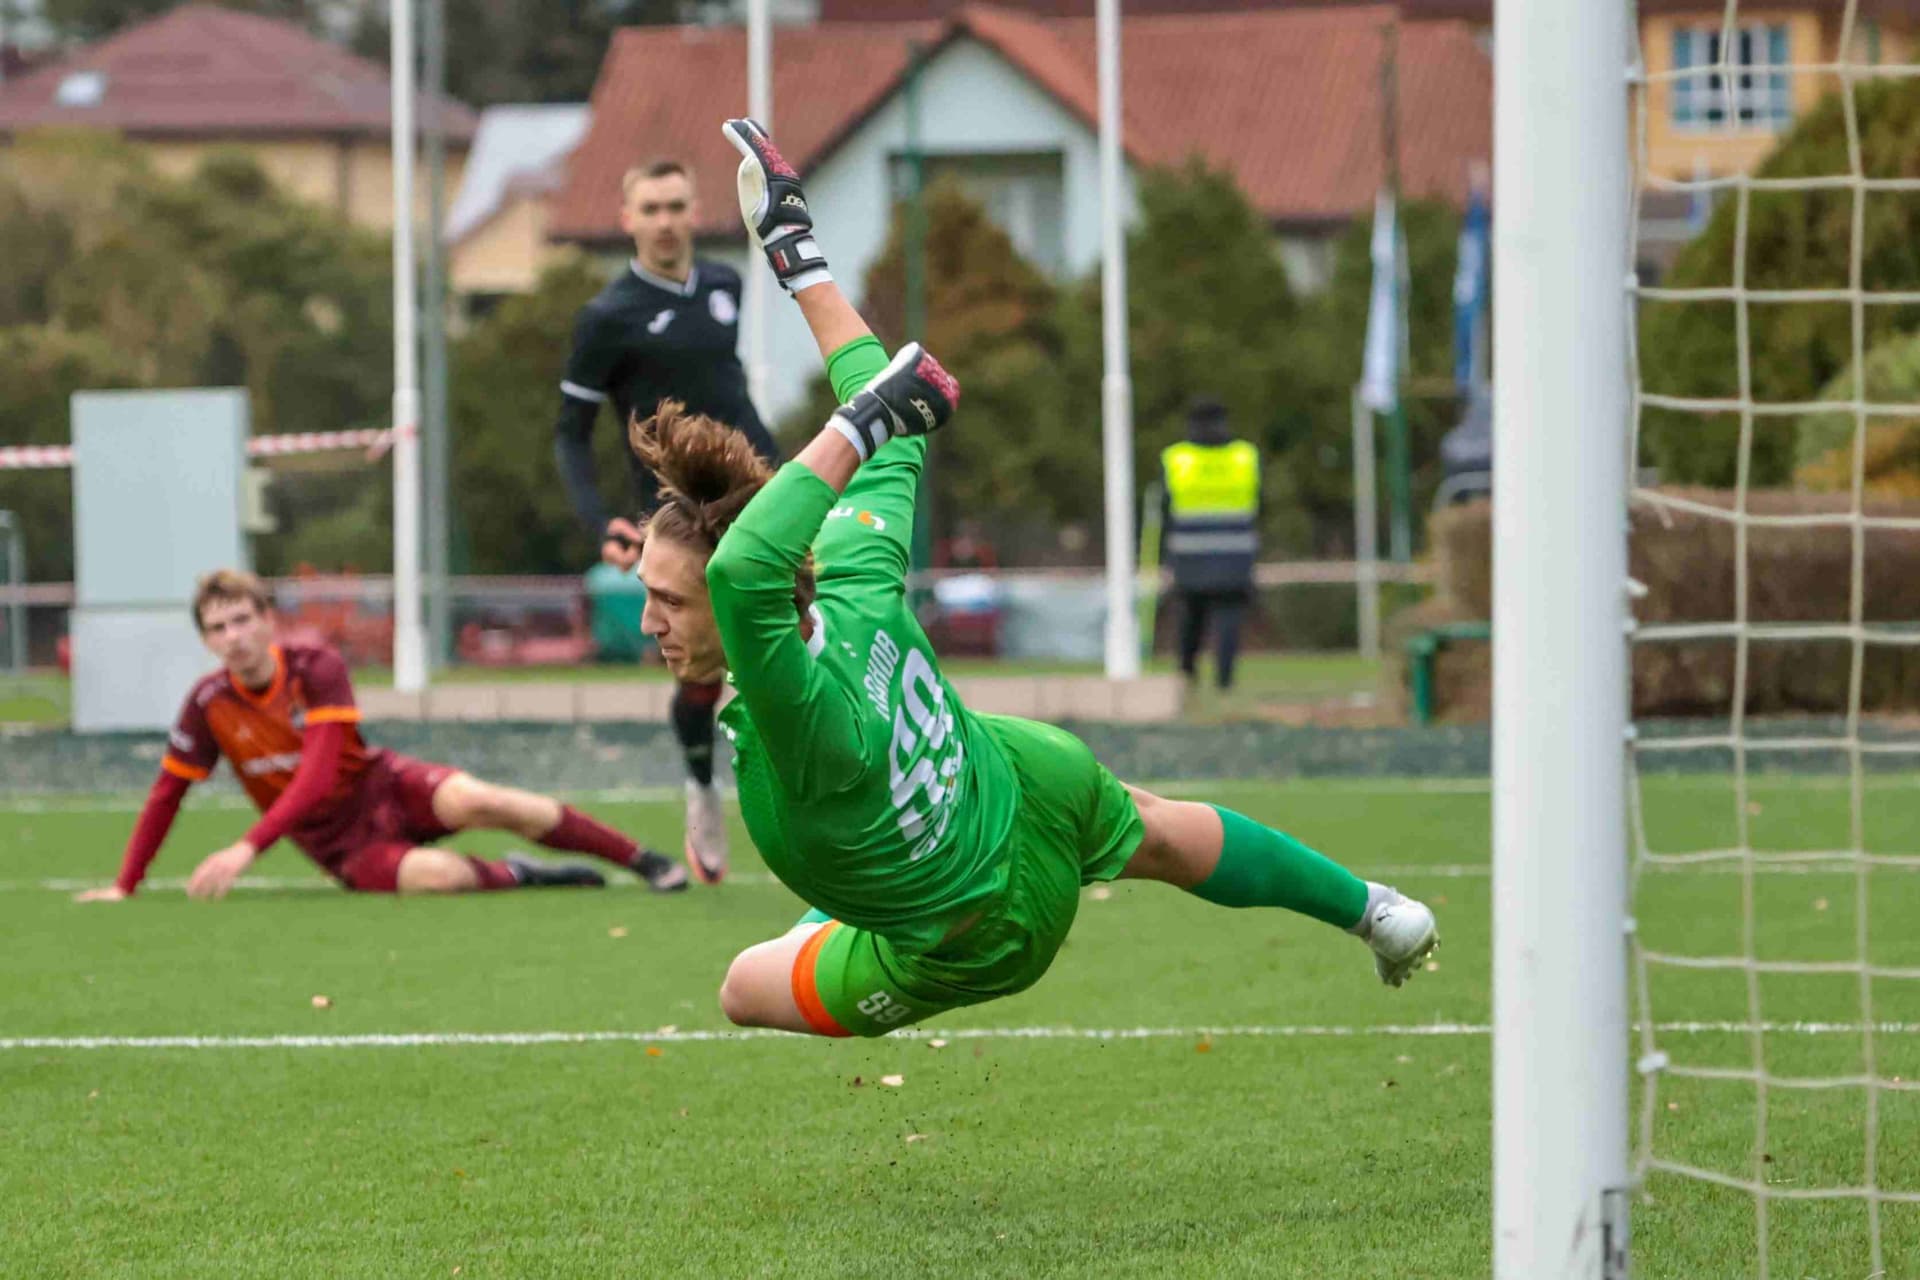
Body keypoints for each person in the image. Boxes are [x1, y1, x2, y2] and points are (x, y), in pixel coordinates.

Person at [615, 118, 1440, 1039]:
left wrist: (868, 419)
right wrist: (798, 257)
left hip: (979, 930)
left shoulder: (785, 695)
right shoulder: (849, 570)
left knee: (741, 987)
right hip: (1022, 775)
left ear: (743, 606)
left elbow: (746, 563)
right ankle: (1378, 911)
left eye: (666, 599)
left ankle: (870, 908)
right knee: (1157, 830)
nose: (648, 618)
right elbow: (878, 396)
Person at [74, 570, 687, 902]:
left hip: (385, 786)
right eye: (218, 627)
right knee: (440, 880)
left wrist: (246, 848)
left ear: (267, 619)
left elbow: (317, 774)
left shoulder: (315, 667)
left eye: (242, 619)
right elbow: (165, 794)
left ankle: (642, 859)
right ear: (206, 640)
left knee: (489, 800)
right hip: (341, 848)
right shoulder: (208, 704)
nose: (233, 635)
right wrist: (125, 884)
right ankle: (525, 875)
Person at [554, 156, 782, 886]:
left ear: (695, 210)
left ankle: (806, 801)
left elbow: (730, 390)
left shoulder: (725, 285)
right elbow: (569, 433)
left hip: (757, 487)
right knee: (702, 671)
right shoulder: (607, 317)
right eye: (649, 208)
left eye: (676, 206)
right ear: (627, 219)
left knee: (793, 635)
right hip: (673, 509)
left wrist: (783, 471)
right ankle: (700, 786)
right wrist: (601, 524)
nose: (664, 221)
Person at [1161, 398, 1261, 691]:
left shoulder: (1177, 458)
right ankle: (1225, 681)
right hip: (1235, 553)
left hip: (1189, 555)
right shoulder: (1244, 456)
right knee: (1228, 618)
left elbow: (1165, 507)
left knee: (1189, 618)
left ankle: (1187, 676)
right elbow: (1260, 502)